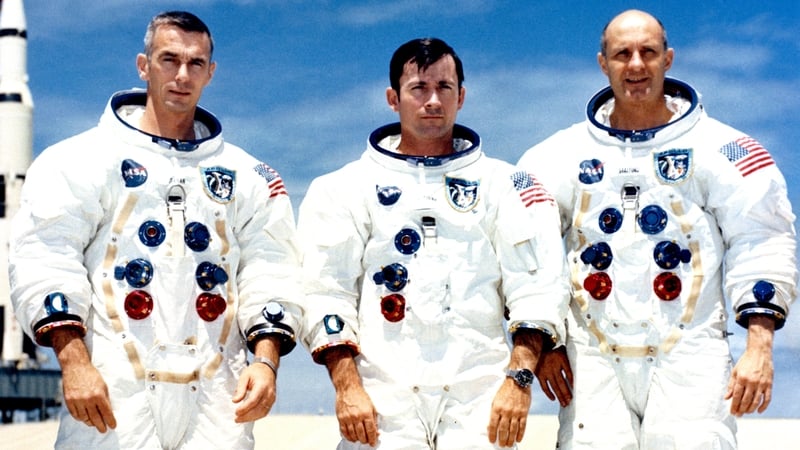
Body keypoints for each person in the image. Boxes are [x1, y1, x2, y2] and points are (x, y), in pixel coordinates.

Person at [8, 11, 303, 449]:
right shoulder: (78, 160)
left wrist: (265, 364)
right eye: (169, 59)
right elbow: (46, 256)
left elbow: (272, 269)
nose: (182, 75)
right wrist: (74, 362)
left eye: (195, 63)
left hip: (217, 392)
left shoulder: (249, 176)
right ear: (144, 66)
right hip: (113, 387)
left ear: (210, 73)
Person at [518, 9, 797, 449]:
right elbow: (527, 255)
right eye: (622, 53)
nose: (635, 65)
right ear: (602, 63)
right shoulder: (554, 158)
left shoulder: (724, 150)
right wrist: (545, 345)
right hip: (592, 359)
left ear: (668, 59)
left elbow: (762, 239)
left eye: (647, 52)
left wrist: (759, 346)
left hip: (689, 354)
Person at [298, 37, 569, 449]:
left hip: (479, 395)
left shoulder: (505, 185)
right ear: (393, 98)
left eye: (444, 88)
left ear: (461, 96)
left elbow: (536, 287)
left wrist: (519, 380)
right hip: (381, 397)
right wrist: (347, 388)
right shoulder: (342, 188)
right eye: (418, 88)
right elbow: (325, 292)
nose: (432, 101)